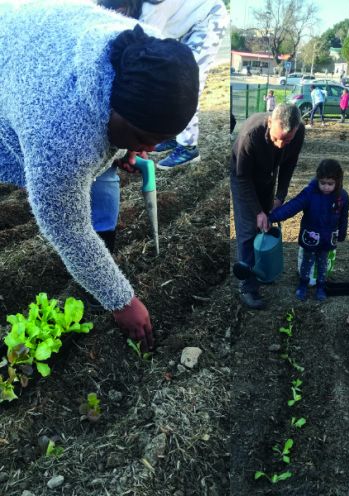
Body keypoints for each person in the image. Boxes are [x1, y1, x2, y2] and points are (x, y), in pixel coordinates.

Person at [0, 0, 200, 350]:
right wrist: (122, 300)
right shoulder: (59, 130)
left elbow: (122, 131)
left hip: (40, 47)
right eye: (143, 138)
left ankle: (97, 262)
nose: (149, 151)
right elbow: (64, 226)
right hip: (16, 65)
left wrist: (131, 144)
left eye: (158, 140)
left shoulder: (150, 51)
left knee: (102, 161)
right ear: (112, 106)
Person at [99, 0, 229, 170]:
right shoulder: (136, 9)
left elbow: (147, 71)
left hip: (208, 19)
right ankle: (172, 137)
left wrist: (132, 146)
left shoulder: (150, 11)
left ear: (123, 8)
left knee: (182, 86)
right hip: (185, 23)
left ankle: (188, 148)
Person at [230, 104, 306, 309]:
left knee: (266, 225)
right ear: (270, 122)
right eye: (276, 139)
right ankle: (247, 286)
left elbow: (289, 165)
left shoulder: (298, 133)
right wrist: (257, 211)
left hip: (267, 175)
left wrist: (280, 196)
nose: (281, 145)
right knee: (248, 229)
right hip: (243, 178)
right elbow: (243, 177)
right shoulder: (251, 135)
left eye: (287, 140)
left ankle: (263, 271)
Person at [268, 160, 349, 302]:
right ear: (318, 179)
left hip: (328, 238)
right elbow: (292, 207)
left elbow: (343, 217)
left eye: (330, 184)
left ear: (338, 182)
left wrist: (342, 233)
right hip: (310, 237)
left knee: (322, 263)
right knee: (307, 261)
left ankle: (321, 286)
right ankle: (303, 284)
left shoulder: (342, 197)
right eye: (322, 183)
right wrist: (272, 217)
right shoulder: (309, 193)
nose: (326, 187)